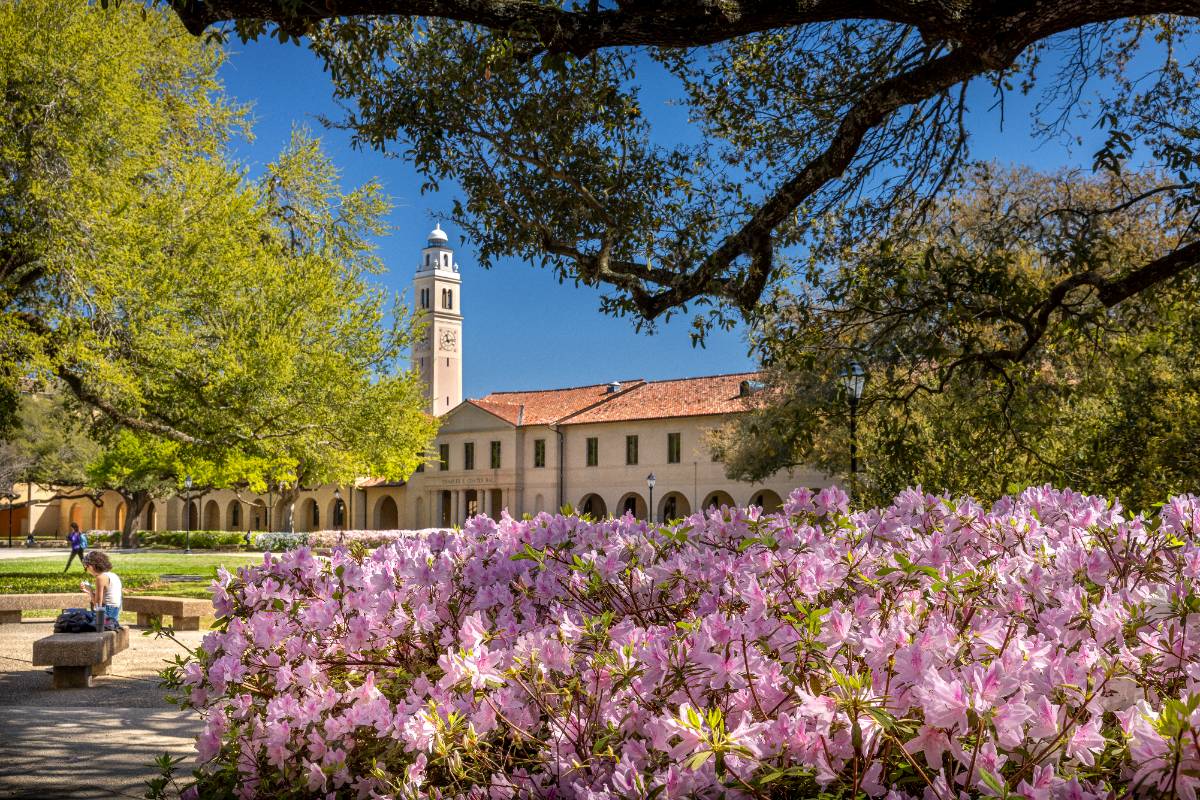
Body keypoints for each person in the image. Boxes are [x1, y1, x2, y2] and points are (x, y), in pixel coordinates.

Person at [80, 550, 122, 628]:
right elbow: (105, 599)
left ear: (91, 566)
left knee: (77, 617)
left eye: (86, 568)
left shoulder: (100, 578)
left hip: (106, 614)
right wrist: (89, 591)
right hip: (114, 613)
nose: (87, 571)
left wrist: (91, 591)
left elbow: (97, 606)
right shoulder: (113, 575)